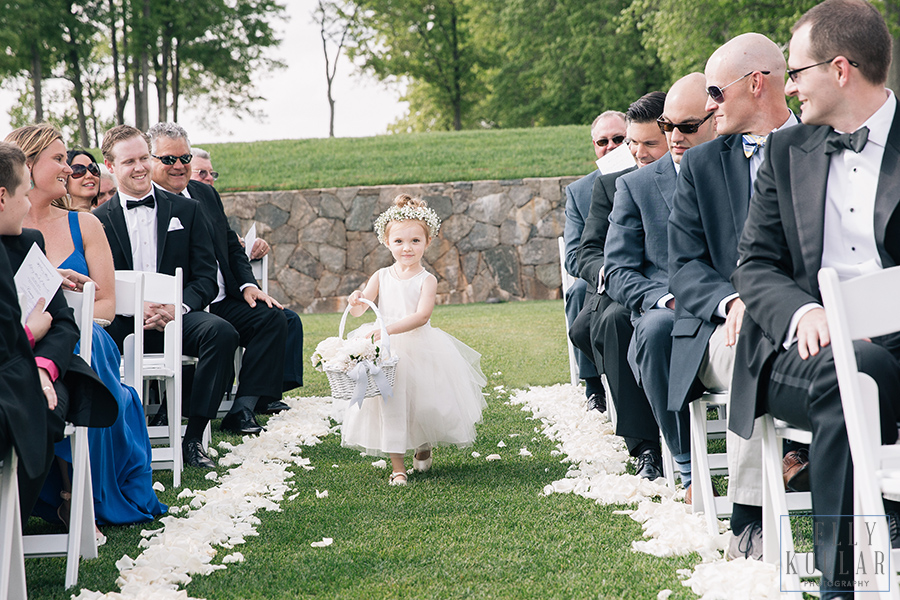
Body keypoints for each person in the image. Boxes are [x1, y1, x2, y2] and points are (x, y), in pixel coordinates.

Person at [730, 1, 900, 596]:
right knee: (860, 372)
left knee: (876, 363)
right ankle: (843, 581)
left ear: (841, 68)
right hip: (803, 353)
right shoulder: (786, 152)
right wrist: (807, 311)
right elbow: (753, 264)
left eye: (797, 72)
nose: (791, 87)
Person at [668, 33, 799, 559]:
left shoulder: (822, 143)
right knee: (753, 343)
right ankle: (749, 517)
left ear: (757, 83)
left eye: (716, 93)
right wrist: (733, 301)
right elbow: (684, 265)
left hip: (801, 319)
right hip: (720, 331)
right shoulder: (701, 166)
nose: (707, 106)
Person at [7, 124, 165, 528]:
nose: (70, 169)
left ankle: (74, 492)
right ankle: (61, 491)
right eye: (59, 160)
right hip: (25, 342)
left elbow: (109, 305)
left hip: (90, 334)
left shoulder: (87, 225)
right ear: (28, 164)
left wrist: (74, 307)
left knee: (79, 346)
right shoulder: (11, 234)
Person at [604, 74, 717, 496]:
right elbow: (617, 270)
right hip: (669, 309)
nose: (673, 137)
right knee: (652, 329)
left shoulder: (736, 167)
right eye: (667, 127)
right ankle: (686, 462)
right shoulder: (634, 186)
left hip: (733, 300)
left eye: (684, 127)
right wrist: (664, 298)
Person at [94, 125, 230, 470]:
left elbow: (205, 279)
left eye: (143, 158)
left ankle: (194, 437)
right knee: (89, 343)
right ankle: (114, 442)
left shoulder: (188, 210)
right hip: (122, 324)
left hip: (176, 320)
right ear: (110, 166)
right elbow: (96, 283)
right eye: (129, 162)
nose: (139, 167)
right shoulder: (95, 221)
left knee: (222, 332)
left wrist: (176, 307)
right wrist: (131, 307)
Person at [147, 122, 295, 432]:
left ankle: (243, 408)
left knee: (272, 318)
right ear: (150, 160)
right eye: (168, 159)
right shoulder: (148, 204)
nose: (178, 166)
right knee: (218, 333)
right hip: (181, 303)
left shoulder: (205, 193)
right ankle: (178, 407)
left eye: (185, 159)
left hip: (222, 297)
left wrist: (247, 285)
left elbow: (229, 242)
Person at [341, 194, 487, 485]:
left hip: (419, 346)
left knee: (423, 404)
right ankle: (397, 466)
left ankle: (423, 444)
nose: (406, 248)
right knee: (389, 405)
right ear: (387, 242)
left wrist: (387, 329)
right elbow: (359, 311)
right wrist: (355, 299)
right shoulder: (381, 275)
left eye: (415, 241)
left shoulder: (427, 279)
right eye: (399, 242)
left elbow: (421, 316)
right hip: (386, 350)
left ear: (428, 241)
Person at [571, 91, 668, 480]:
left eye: (648, 143)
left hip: (678, 286)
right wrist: (615, 276)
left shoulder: (694, 168)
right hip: (620, 285)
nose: (638, 153)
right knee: (613, 322)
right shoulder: (612, 182)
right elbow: (587, 252)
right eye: (632, 143)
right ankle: (645, 447)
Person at [563, 111, 627, 411]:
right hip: (597, 273)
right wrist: (603, 270)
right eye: (603, 141)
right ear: (594, 146)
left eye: (619, 138)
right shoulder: (579, 192)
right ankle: (594, 386)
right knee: (577, 291)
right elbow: (574, 255)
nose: (611, 146)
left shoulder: (649, 173)